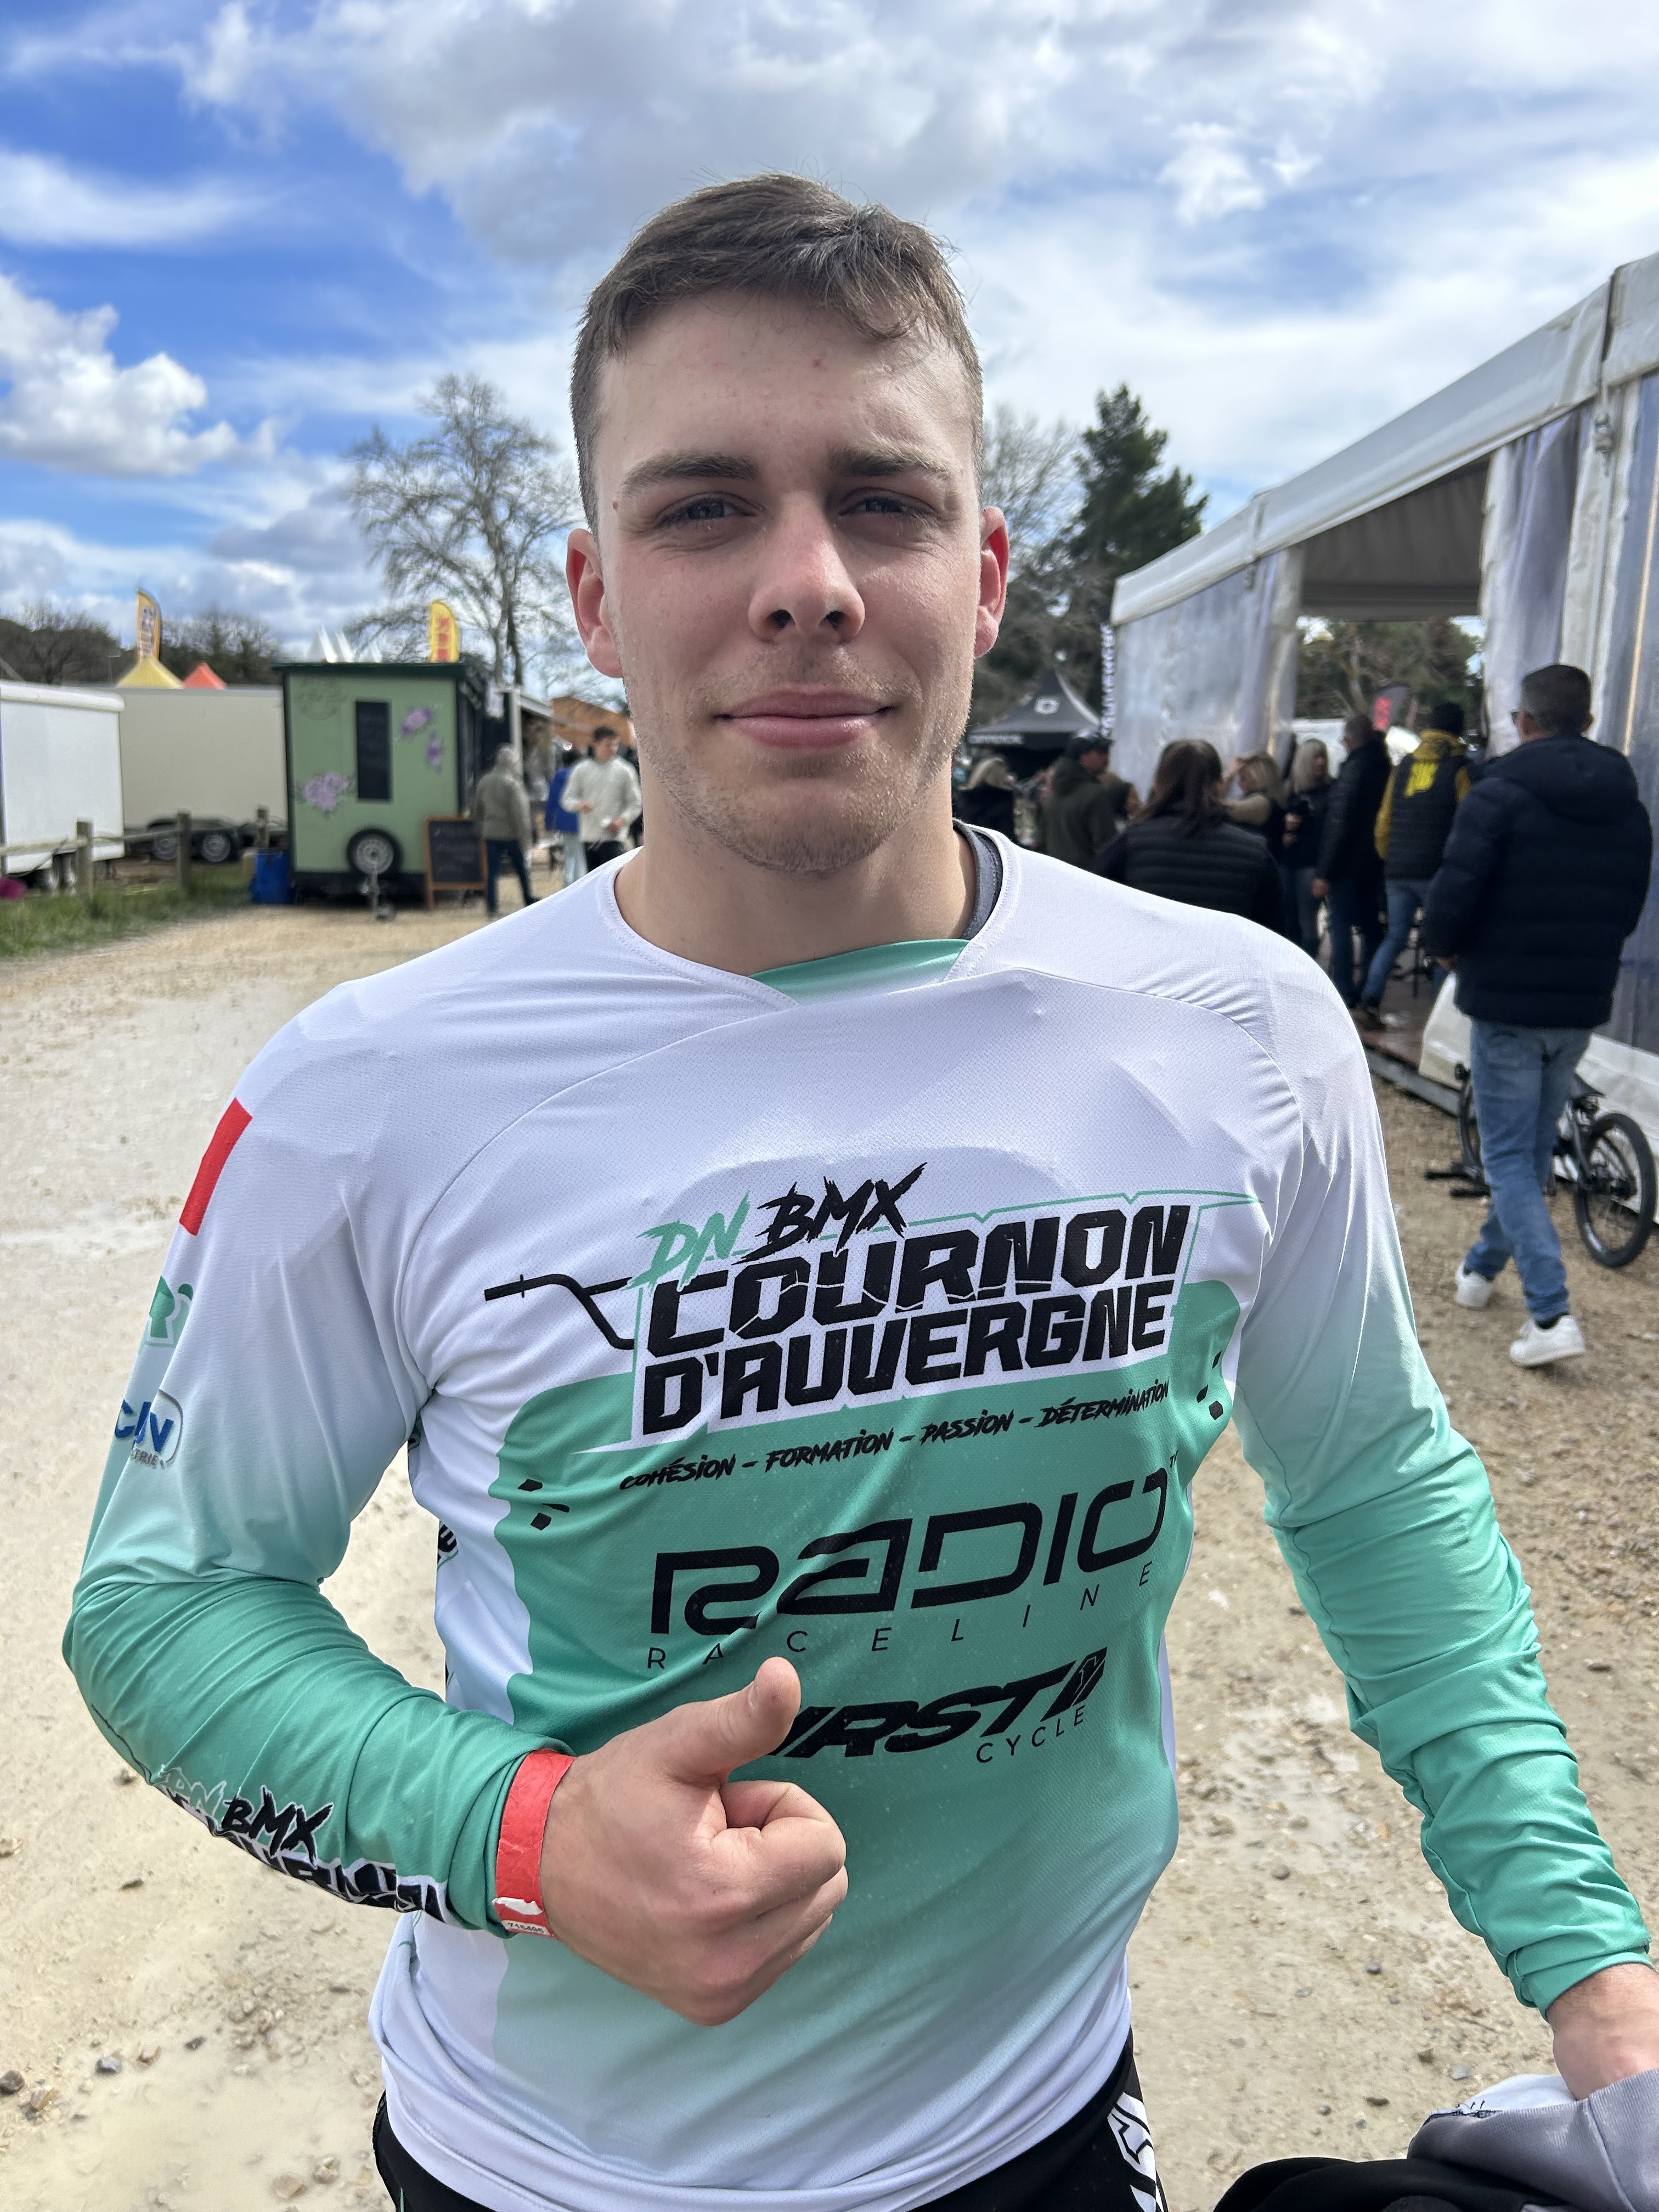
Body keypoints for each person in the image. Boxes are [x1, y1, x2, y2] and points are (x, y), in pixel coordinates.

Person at [67, 178, 1658, 2212]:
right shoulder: (369, 1090)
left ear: (981, 575)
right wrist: (523, 1836)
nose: (806, 582)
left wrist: (1594, 1974)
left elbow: (1369, 1488)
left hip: (1038, 2124)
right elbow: (165, 1604)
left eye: (883, 503)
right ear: (593, 594)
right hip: (549, 2165)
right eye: (704, 507)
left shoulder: (1237, 1025)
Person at [1423, 663, 1652, 1367]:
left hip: (1505, 999)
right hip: (1579, 1002)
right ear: (1589, 722)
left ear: (1523, 721)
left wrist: (1445, 948)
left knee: (1508, 1158)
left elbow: (1456, 889)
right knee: (1528, 1152)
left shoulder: (1497, 794)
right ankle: (1480, 1269)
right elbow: (1629, 907)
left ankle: (1551, 1314)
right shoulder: (1628, 806)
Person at [1354, 702, 1471, 1026]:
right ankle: (1436, 1021)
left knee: (1395, 937)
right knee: (1439, 944)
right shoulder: (1460, 768)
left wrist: (1389, 856)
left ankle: (1369, 1001)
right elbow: (1468, 822)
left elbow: (1384, 819)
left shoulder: (1404, 765)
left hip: (1398, 868)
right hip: (1438, 871)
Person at [1096, 738, 1284, 930]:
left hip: (1148, 947)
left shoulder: (1131, 842)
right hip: (1219, 949)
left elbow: (1097, 904)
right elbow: (1274, 931)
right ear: (1219, 786)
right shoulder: (1255, 853)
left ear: (1157, 783)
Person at [1312, 711, 1392, 1007]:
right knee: (1371, 927)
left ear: (1349, 740)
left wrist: (1325, 872)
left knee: (1340, 925)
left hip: (1346, 864)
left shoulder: (1354, 769)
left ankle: (1344, 990)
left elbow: (1340, 822)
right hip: (1374, 861)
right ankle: (1368, 982)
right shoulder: (1384, 765)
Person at [1279, 737, 1331, 959]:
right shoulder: (1288, 790)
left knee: (1307, 920)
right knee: (1288, 918)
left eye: (1323, 757)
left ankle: (1307, 965)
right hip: (1288, 860)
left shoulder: (1330, 791)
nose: (1321, 762)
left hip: (1311, 862)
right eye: (1315, 758)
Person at [562, 723, 640, 867]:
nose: (613, 749)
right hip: (590, 836)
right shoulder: (581, 770)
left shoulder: (625, 771)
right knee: (593, 876)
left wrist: (622, 820)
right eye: (608, 745)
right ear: (595, 744)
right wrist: (579, 805)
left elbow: (636, 804)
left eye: (615, 745)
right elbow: (567, 799)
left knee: (614, 876)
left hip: (615, 837)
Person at [1040, 731, 1121, 869]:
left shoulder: (1052, 795)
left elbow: (1042, 840)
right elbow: (1107, 846)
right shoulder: (1094, 794)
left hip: (1055, 872)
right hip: (1086, 875)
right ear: (1084, 756)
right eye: (1101, 752)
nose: (1106, 757)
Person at [473, 742, 537, 915]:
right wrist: (526, 840)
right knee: (521, 869)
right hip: (511, 834)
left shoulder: (484, 781)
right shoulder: (513, 784)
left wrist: (482, 827)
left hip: (490, 832)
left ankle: (492, 906)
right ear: (513, 763)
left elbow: (477, 809)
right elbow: (520, 814)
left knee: (492, 872)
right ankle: (528, 898)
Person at [1222, 749, 1288, 859]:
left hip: (1257, 863)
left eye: (1243, 778)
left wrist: (1229, 776)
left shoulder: (1262, 803)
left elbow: (1219, 809)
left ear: (1259, 776)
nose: (1239, 783)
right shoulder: (1265, 801)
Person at [954, 749, 1017, 839]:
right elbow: (1007, 832)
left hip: (965, 843)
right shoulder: (1003, 799)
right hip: (991, 844)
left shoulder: (963, 796)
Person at [548, 744, 587, 885]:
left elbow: (552, 800)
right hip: (581, 819)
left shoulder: (558, 776)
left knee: (569, 853)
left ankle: (568, 882)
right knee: (580, 854)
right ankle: (577, 883)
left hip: (563, 821)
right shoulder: (582, 776)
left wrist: (549, 822)